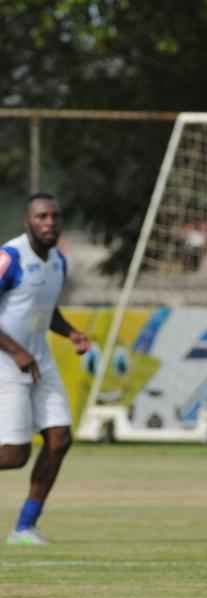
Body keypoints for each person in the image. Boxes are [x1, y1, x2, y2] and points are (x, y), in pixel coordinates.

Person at [1, 193, 91, 545]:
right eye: (41, 217)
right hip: (7, 362)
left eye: (54, 216)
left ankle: (25, 527)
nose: (49, 222)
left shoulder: (58, 261)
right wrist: (16, 351)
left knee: (59, 440)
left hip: (40, 360)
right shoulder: (10, 257)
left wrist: (71, 333)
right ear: (28, 221)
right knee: (14, 456)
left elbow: (45, 310)